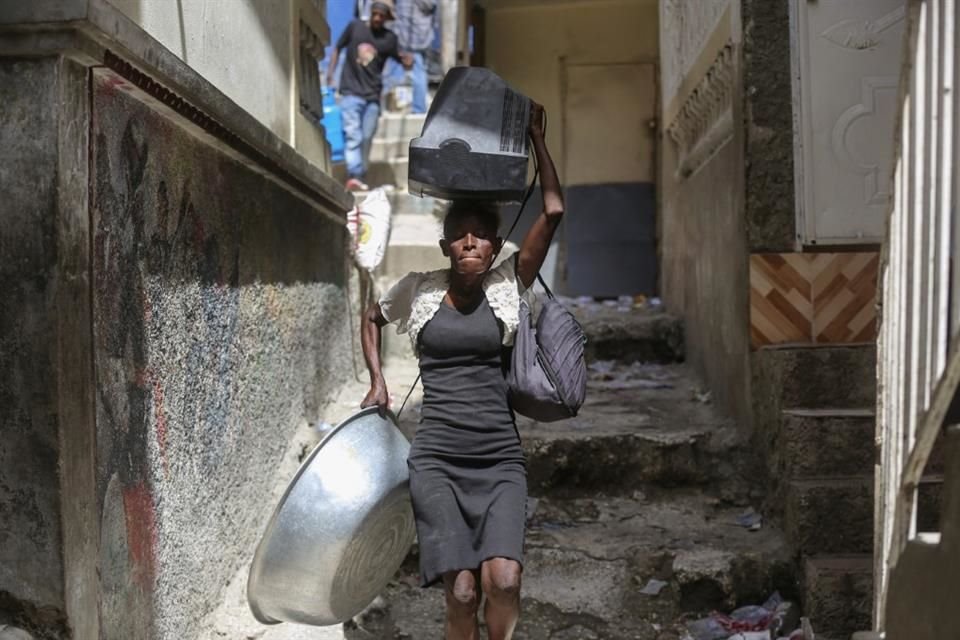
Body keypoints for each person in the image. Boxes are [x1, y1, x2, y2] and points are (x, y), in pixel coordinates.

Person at [360, 103, 563, 640]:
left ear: (496, 245)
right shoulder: (419, 288)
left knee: (505, 582)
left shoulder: (506, 285)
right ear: (445, 244)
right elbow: (370, 319)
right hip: (437, 462)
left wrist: (538, 141)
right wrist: (377, 381)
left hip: (499, 461)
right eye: (460, 235)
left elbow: (555, 210)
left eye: (481, 236)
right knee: (462, 592)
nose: (471, 243)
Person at [328, 1, 412, 191]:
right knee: (354, 135)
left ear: (386, 18)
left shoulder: (389, 39)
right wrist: (330, 74)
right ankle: (354, 175)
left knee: (366, 137)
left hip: (373, 96)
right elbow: (337, 47)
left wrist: (408, 62)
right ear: (370, 13)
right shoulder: (355, 27)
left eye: (381, 16)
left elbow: (401, 60)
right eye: (374, 14)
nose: (377, 18)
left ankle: (360, 174)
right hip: (350, 92)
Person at [389, 0, 437, 114]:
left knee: (417, 73)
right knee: (405, 73)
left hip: (416, 39)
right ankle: (398, 105)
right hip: (405, 38)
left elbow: (430, 5)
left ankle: (418, 108)